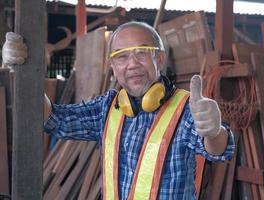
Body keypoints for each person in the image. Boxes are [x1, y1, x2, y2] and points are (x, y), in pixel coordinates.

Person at [2, 21, 235, 199]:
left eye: (142, 52)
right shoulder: (107, 107)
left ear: (160, 59)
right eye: (121, 57)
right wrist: (24, 72)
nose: (132, 63)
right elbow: (54, 119)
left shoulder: (184, 109)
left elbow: (218, 151)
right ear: (112, 67)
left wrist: (213, 131)